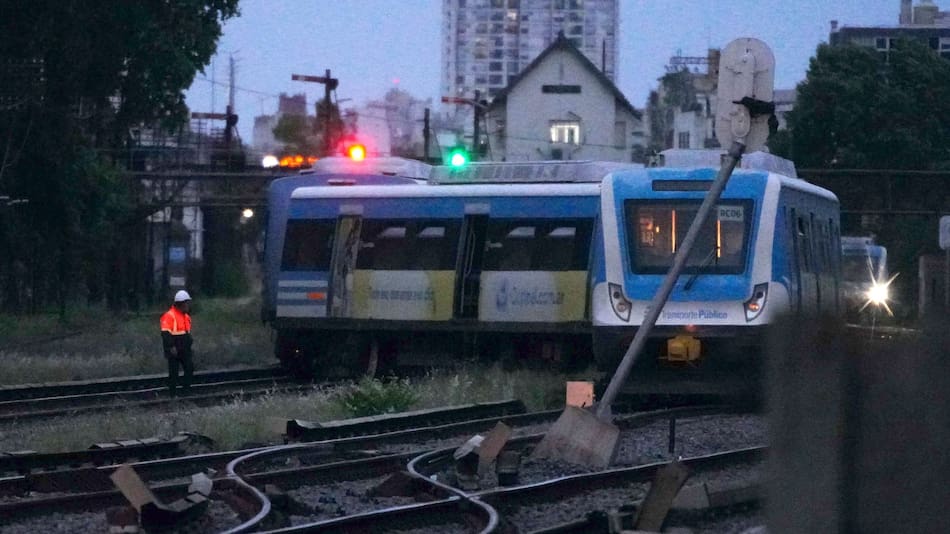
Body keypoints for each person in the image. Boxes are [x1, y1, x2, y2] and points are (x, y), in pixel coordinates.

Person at [160, 290, 194, 397]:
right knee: (173, 373)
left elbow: (187, 333)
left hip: (184, 349)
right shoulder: (169, 316)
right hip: (174, 350)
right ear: (181, 303)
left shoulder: (187, 317)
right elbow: (165, 333)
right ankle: (172, 395)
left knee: (189, 368)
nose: (188, 305)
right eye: (186, 303)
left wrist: (190, 345)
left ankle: (186, 393)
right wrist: (171, 347)